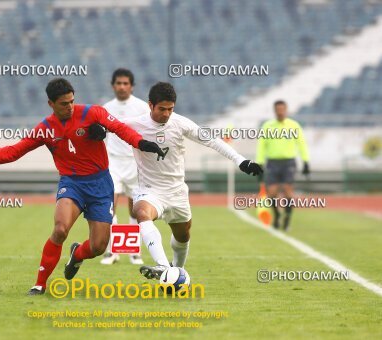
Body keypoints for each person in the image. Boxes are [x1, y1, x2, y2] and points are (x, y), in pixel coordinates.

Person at [0, 78, 164, 295]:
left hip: (101, 185)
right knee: (60, 229)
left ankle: (77, 255)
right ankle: (39, 284)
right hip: (72, 184)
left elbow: (119, 128)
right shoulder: (45, 129)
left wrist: (142, 143)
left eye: (72, 101)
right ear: (51, 104)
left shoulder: (92, 113)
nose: (70, 107)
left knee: (98, 247)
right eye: (64, 104)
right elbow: (14, 151)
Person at [123, 82, 263, 279]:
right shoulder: (134, 124)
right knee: (141, 212)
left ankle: (176, 270)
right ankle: (163, 266)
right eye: (161, 109)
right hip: (150, 190)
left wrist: (240, 161)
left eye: (170, 109)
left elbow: (212, 140)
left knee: (183, 235)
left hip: (177, 192)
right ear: (150, 105)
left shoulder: (181, 123)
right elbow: (107, 124)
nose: (166, 114)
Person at [101, 68, 149, 266]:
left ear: (132, 86)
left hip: (134, 162)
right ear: (113, 85)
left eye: (125, 83)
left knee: (135, 208)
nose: (122, 87)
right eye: (118, 83)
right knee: (109, 205)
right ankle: (113, 251)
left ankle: (132, 251)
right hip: (113, 162)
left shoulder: (142, 107)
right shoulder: (105, 108)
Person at [256, 100, 310, 231]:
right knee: (272, 194)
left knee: (288, 192)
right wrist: (259, 164)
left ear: (286, 110)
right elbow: (262, 146)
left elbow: (301, 144)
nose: (280, 112)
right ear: (274, 111)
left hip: (288, 163)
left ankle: (287, 219)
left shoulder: (293, 125)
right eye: (278, 109)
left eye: (282, 109)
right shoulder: (267, 126)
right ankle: (277, 215)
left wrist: (306, 161)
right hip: (272, 163)